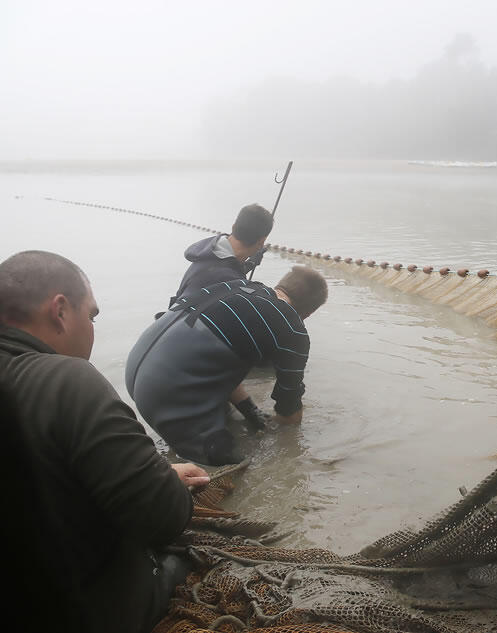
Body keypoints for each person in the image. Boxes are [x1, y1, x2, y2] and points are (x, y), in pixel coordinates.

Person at [0, 250, 210, 633]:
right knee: (191, 559)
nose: (93, 328)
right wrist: (164, 483)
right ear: (60, 311)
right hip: (82, 613)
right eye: (91, 315)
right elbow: (161, 518)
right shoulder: (69, 380)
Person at [126, 266, 328, 466]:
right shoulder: (291, 328)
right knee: (234, 467)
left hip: (138, 375)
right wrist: (291, 448)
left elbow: (220, 365)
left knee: (231, 421)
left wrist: (249, 410)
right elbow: (288, 408)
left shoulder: (238, 286)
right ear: (309, 313)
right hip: (165, 397)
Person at [170, 202, 275, 432]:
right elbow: (226, 354)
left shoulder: (209, 254)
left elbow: (218, 274)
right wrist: (250, 410)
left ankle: (241, 409)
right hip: (185, 368)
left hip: (169, 345)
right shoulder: (226, 279)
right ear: (261, 241)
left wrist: (246, 265)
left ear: (234, 226)